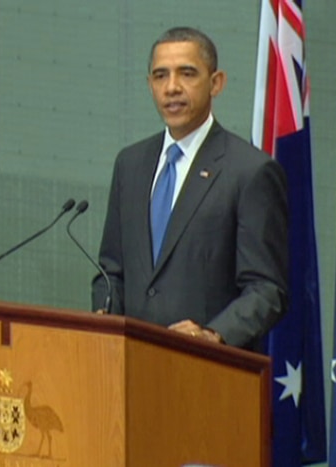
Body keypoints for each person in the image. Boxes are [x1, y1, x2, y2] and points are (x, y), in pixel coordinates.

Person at [92, 26, 288, 351]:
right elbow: (110, 270)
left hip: (205, 372)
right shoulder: (130, 164)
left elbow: (266, 289)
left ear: (216, 83)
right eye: (160, 76)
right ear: (149, 85)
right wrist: (106, 313)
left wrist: (213, 335)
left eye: (187, 74)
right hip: (129, 368)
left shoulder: (250, 171)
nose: (172, 88)